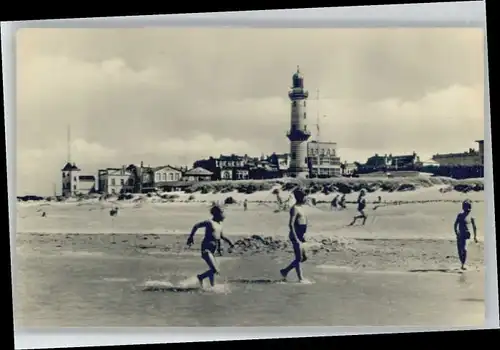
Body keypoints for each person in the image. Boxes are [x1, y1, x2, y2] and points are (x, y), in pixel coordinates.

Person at [186, 204, 235, 287]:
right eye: (222, 213)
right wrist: (191, 237)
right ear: (216, 214)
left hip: (213, 251)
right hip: (206, 250)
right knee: (215, 270)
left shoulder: (219, 225)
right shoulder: (209, 222)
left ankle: (212, 286)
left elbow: (221, 237)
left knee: (213, 270)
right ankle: (201, 277)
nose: (224, 215)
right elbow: (196, 226)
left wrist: (230, 243)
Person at [280, 188, 309, 282]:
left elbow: (304, 221)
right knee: (298, 257)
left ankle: (285, 271)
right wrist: (296, 237)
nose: (306, 199)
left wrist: (304, 234)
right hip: (295, 235)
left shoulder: (301, 207)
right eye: (305, 197)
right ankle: (301, 279)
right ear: (300, 197)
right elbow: (291, 224)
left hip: (301, 234)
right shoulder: (294, 208)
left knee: (304, 258)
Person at [454, 199, 478, 270]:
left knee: (464, 249)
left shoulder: (471, 217)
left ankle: (463, 264)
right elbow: (455, 224)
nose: (467, 209)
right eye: (465, 207)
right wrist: (456, 232)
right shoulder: (460, 215)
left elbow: (474, 227)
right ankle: (462, 263)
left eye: (468, 207)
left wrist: (475, 237)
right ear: (463, 207)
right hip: (460, 235)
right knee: (459, 250)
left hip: (467, 235)